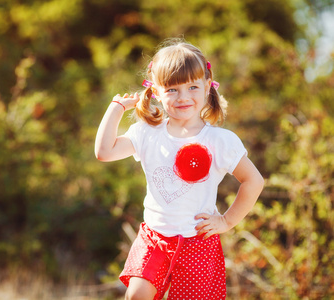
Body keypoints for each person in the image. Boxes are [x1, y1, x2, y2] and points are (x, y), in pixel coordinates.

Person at [94, 39, 264, 300]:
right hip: (155, 238)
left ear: (208, 87)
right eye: (172, 89)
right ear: (155, 91)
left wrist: (227, 221)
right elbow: (104, 152)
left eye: (193, 87)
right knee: (136, 296)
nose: (183, 97)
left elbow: (253, 181)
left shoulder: (220, 141)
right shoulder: (147, 133)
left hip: (198, 242)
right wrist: (115, 108)